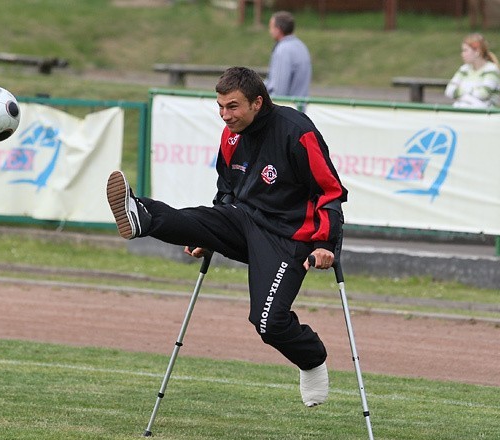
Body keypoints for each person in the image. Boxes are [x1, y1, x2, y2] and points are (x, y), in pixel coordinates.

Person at [106, 67, 347, 407]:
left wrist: (325, 243)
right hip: (242, 218)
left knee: (268, 323)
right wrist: (211, 235)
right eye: (220, 107)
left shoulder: (296, 131)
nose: (225, 115)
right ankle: (140, 213)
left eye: (232, 107)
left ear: (257, 103)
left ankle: (312, 359)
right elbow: (227, 189)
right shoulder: (230, 135)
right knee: (194, 218)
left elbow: (329, 191)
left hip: (288, 236)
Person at [445, 33, 500, 108]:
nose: (462, 54)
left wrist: (462, 92)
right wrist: (471, 92)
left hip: (483, 115)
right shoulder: (464, 69)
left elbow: (483, 94)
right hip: (461, 112)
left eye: (465, 50)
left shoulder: (491, 70)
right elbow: (449, 91)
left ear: (477, 51)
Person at [264, 11, 312, 98]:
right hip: (299, 107)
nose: (270, 31)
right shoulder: (301, 46)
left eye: (271, 27)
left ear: (278, 29)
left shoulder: (283, 50)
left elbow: (279, 91)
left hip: (287, 107)